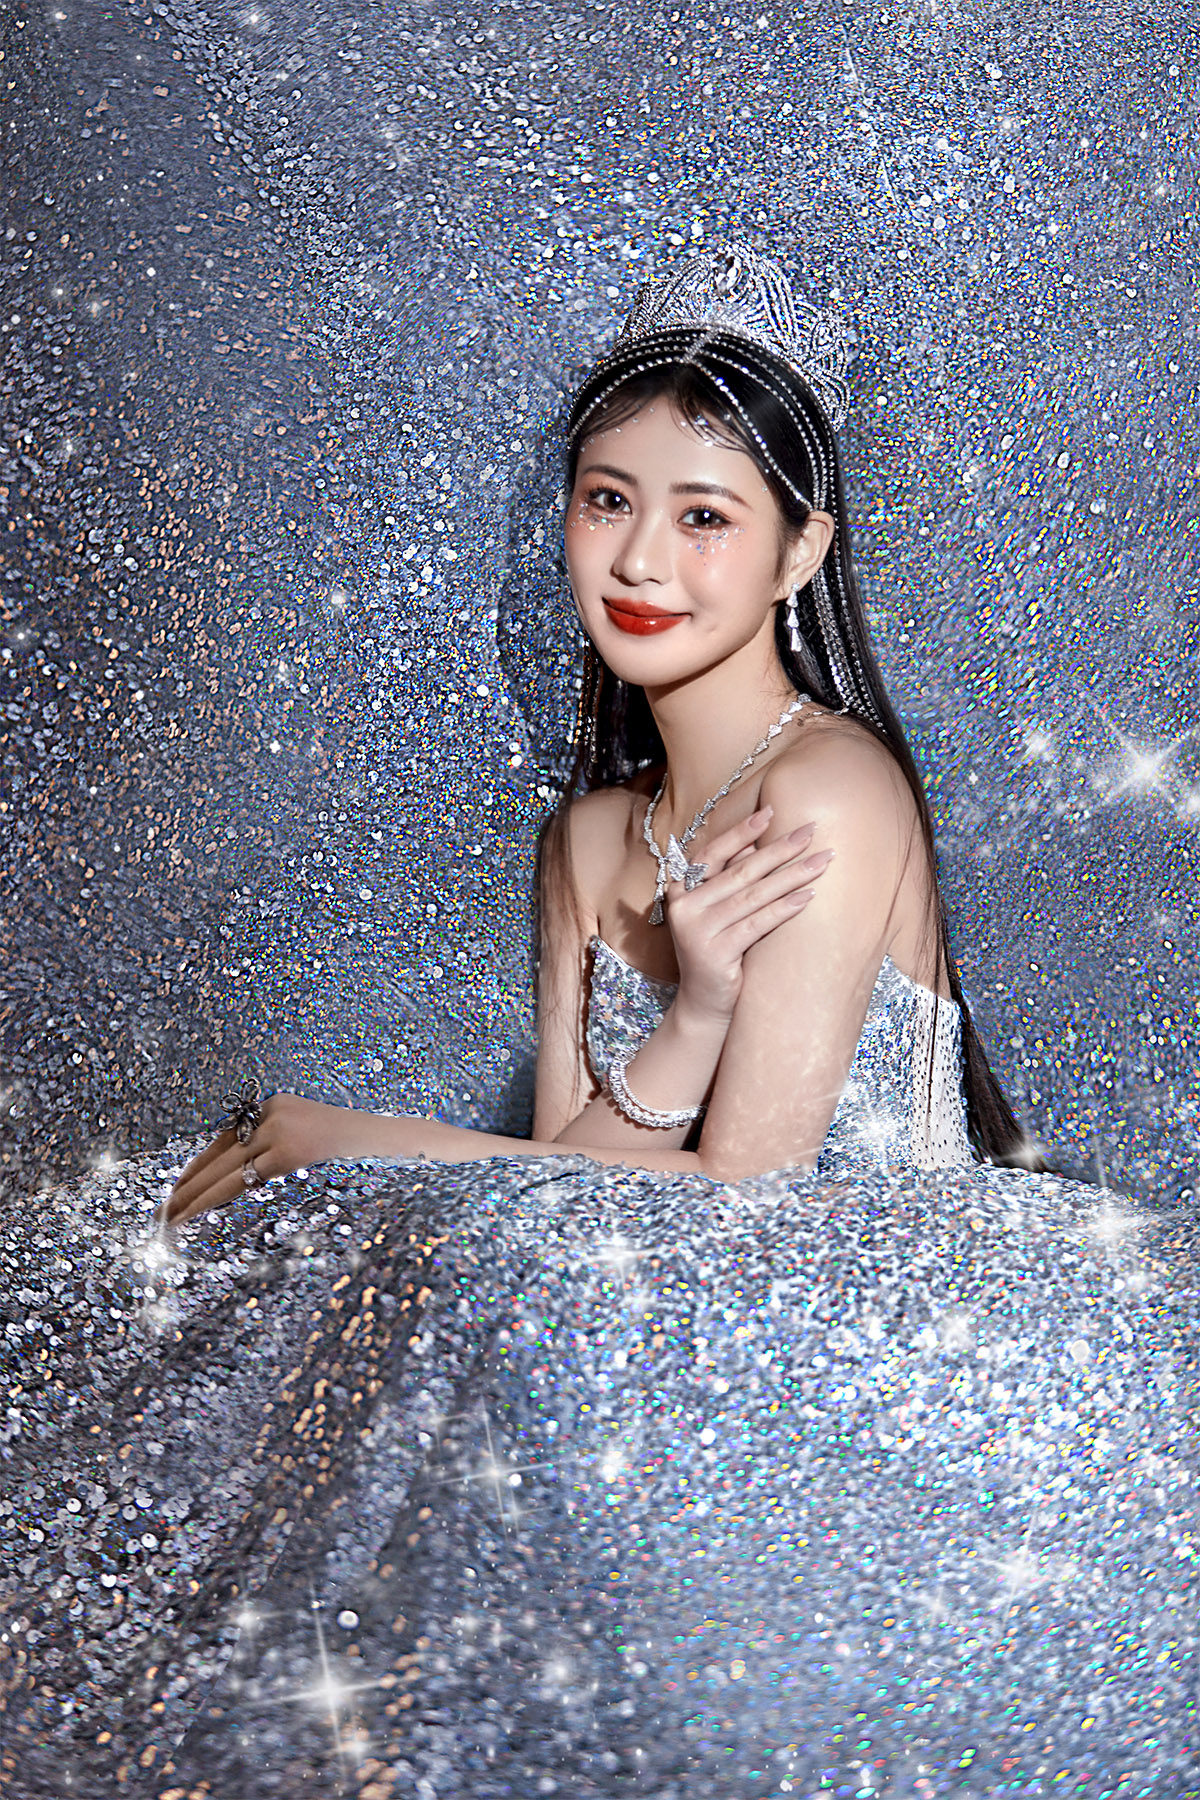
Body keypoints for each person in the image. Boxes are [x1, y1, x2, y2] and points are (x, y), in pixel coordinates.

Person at [2, 246, 1195, 1800]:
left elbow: (750, 1195)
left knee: (451, 1266)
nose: (641, 557)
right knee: (355, 1279)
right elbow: (574, 1176)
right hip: (649, 1294)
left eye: (705, 517)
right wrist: (694, 1016)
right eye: (607, 499)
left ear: (799, 551)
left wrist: (349, 1135)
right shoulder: (583, 840)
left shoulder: (831, 790)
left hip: (856, 1320)